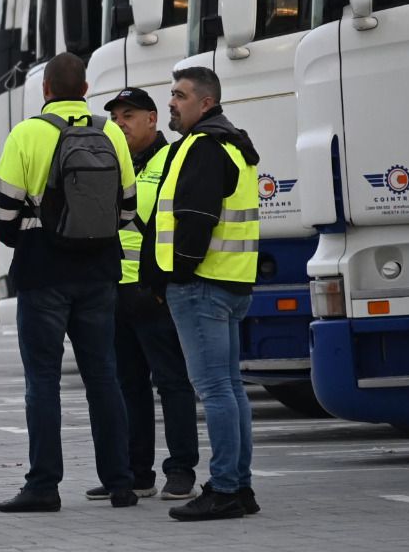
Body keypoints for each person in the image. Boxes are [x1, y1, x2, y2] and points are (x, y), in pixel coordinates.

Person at [0, 52, 139, 513]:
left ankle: (43, 485)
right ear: (87, 89)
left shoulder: (28, 132)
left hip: (42, 273)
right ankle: (120, 482)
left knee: (43, 380)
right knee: (104, 378)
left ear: (45, 90)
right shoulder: (110, 131)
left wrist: (28, 235)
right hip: (99, 273)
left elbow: (2, 209)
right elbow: (128, 208)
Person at [80, 87, 199, 503]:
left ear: (152, 118)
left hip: (156, 291)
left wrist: (169, 282)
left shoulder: (175, 158)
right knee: (127, 384)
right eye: (115, 117)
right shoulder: (111, 162)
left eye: (129, 115)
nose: (120, 123)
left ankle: (181, 469)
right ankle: (136, 472)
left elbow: (184, 223)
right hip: (115, 290)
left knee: (172, 382)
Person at [154, 66, 261, 521]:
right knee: (231, 388)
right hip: (232, 282)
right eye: (172, 94)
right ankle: (239, 486)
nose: (171, 104)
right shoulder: (235, 145)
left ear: (206, 103)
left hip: (201, 287)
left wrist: (177, 274)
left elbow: (195, 219)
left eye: (180, 96)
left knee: (216, 390)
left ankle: (224, 487)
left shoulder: (203, 147)